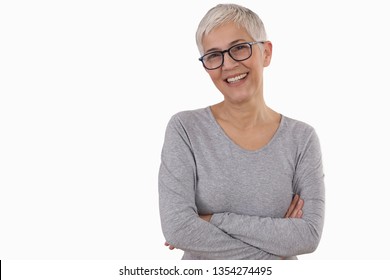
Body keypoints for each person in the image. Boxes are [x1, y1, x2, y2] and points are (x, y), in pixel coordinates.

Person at [158, 3, 325, 260]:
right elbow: (178, 228)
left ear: (266, 53)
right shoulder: (185, 130)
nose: (228, 64)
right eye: (214, 55)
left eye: (239, 48)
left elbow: (308, 235)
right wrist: (275, 253)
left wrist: (211, 219)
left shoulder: (301, 139)